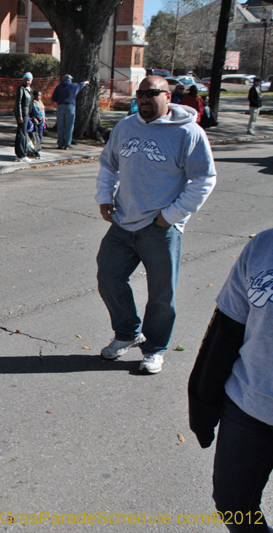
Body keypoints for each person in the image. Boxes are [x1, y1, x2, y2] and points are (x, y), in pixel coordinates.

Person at [95, 75, 216, 374]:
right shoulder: (125, 127)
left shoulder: (189, 133)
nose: (145, 99)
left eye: (152, 93)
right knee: (109, 278)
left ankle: (155, 348)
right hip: (123, 221)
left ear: (168, 96)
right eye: (141, 94)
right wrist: (104, 196)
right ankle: (127, 333)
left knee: (162, 294)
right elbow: (108, 164)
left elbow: (204, 178)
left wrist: (173, 215)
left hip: (160, 226)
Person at [189, 228, 273, 533]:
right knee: (233, 505)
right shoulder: (264, 245)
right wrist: (202, 399)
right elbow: (227, 328)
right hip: (249, 407)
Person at [51, 74, 89, 150]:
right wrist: (86, 82)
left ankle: (60, 144)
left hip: (60, 106)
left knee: (60, 126)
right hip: (70, 106)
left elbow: (53, 98)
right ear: (70, 80)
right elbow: (81, 84)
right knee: (69, 126)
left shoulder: (58, 87)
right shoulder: (74, 86)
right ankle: (67, 144)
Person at [13, 73, 33, 162]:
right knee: (22, 133)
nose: (27, 81)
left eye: (29, 79)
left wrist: (31, 115)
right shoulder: (21, 89)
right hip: (23, 113)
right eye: (25, 79)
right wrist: (20, 115)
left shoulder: (30, 90)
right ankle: (22, 154)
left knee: (22, 133)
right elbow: (19, 103)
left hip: (27, 114)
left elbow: (31, 104)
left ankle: (20, 153)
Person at [29, 89, 47, 158]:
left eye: (40, 95)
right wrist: (33, 118)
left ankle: (38, 147)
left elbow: (43, 111)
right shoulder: (33, 103)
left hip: (41, 121)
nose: (39, 97)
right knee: (35, 135)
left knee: (40, 134)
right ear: (34, 96)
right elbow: (31, 112)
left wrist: (44, 117)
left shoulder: (40, 103)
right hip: (35, 121)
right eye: (37, 95)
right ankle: (35, 149)